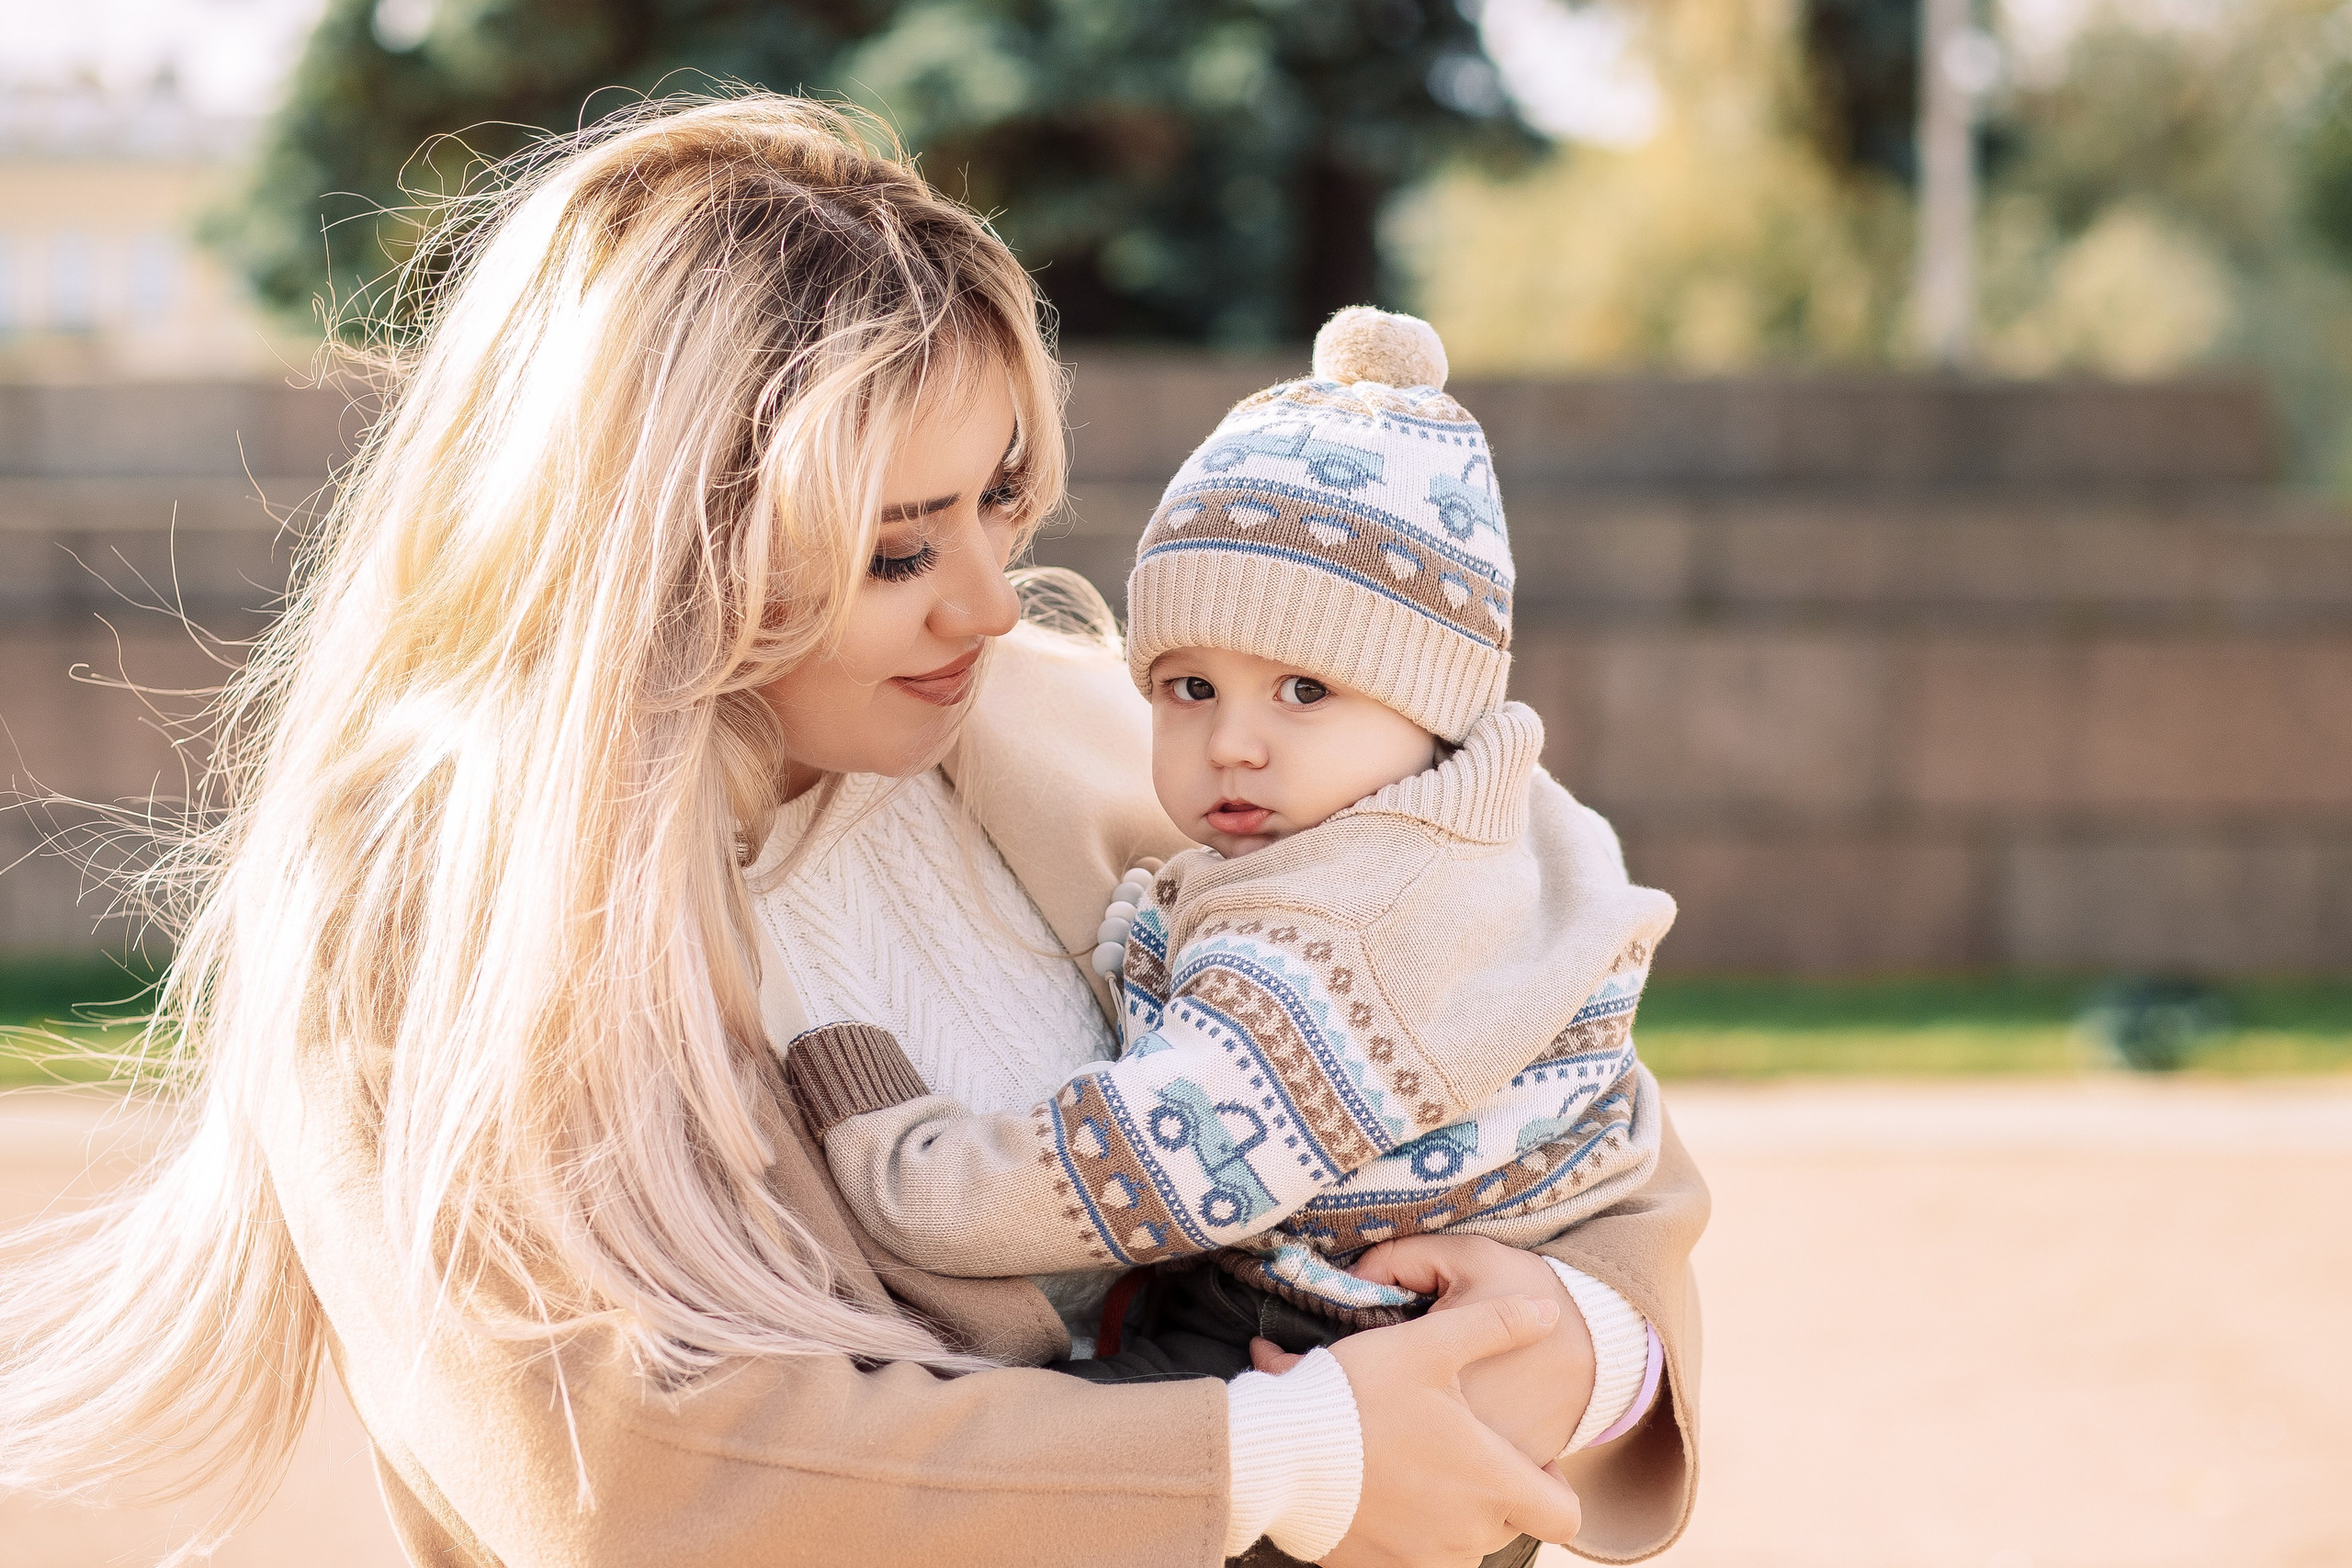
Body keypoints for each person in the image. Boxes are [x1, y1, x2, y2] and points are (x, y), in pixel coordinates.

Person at [0, 96, 1709, 1568]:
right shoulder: (429, 901)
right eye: (897, 548)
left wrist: (1591, 1339)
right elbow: (617, 1469)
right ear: (667, 544)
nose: (991, 597)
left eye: (1001, 499)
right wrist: (1280, 1456)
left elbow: (1551, 1070)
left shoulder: (1083, 726)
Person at [788, 307, 1677, 1481]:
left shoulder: (1350, 923)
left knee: (1054, 1466)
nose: (1232, 745)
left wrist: (903, 1161)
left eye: (1305, 690)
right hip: (1323, 1294)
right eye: (1189, 686)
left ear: (1437, 706)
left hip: (1332, 1324)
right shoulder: (1468, 826)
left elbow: (1161, 1161)